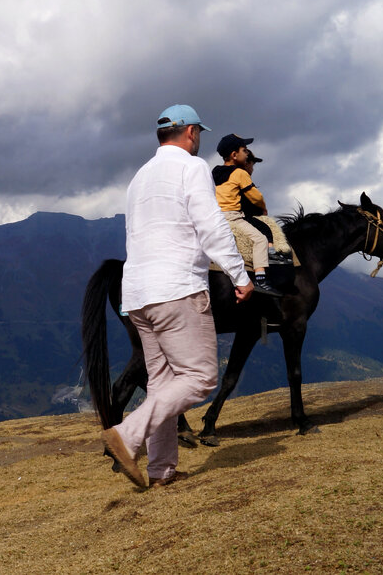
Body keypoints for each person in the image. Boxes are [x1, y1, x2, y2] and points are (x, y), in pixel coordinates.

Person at [102, 104, 254, 489]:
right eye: (199, 133)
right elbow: (210, 224)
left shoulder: (139, 177)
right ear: (190, 133)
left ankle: (161, 470)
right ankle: (128, 433)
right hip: (177, 289)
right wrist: (240, 274)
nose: (199, 140)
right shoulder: (192, 167)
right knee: (200, 377)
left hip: (136, 294)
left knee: (162, 383)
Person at [212, 134, 281, 296]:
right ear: (234, 155)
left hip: (215, 216)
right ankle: (261, 278)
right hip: (232, 217)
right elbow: (255, 197)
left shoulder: (215, 171)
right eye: (244, 150)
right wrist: (263, 208)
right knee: (260, 239)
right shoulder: (240, 173)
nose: (247, 154)